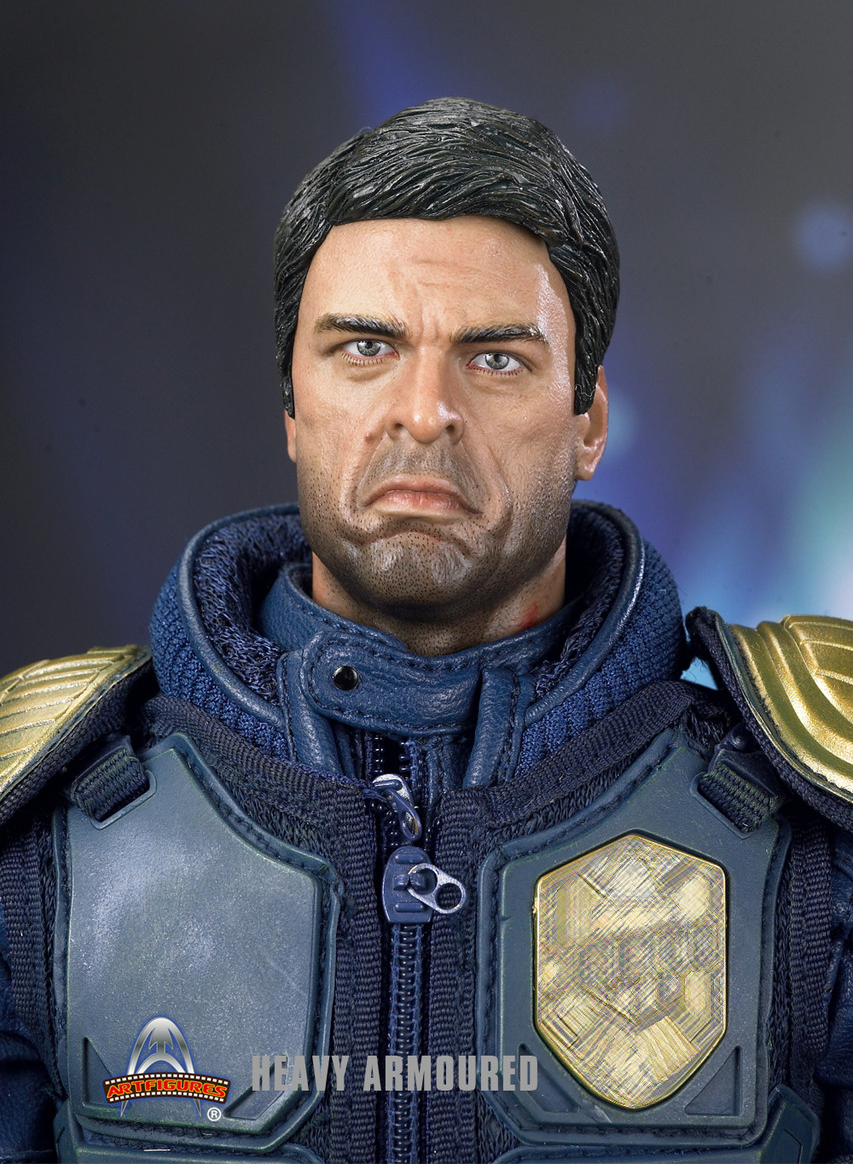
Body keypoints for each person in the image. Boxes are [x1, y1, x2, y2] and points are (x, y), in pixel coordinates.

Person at [1, 97, 852, 1164]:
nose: (422, 410)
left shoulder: (812, 838)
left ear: (586, 420)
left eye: (494, 358)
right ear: (292, 406)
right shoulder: (45, 838)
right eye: (365, 346)